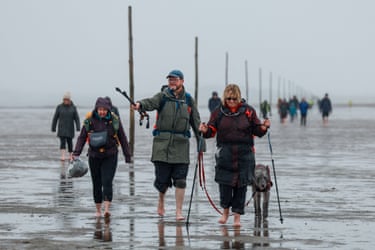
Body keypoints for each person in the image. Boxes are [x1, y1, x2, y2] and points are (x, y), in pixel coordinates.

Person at [132, 69, 203, 221]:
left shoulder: (189, 100)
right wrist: (140, 105)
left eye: (175, 79)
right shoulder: (162, 96)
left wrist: (201, 145)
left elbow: (196, 122)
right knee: (162, 181)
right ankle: (161, 201)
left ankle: (178, 211)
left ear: (182, 81)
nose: (172, 82)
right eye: (170, 79)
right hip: (162, 146)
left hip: (181, 145)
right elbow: (150, 102)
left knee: (181, 180)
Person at [199, 84, 270, 226]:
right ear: (225, 98)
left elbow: (257, 130)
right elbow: (211, 131)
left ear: (238, 98)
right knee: (224, 185)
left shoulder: (249, 111)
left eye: (234, 98)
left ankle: (237, 217)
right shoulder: (218, 112)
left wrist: (263, 127)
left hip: (245, 154)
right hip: (225, 153)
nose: (231, 101)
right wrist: (205, 129)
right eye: (228, 98)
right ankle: (225, 214)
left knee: (241, 185)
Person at [71, 97, 132, 218]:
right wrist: (76, 152)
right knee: (97, 183)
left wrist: (127, 155)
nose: (102, 112)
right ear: (96, 109)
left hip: (110, 155)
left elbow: (123, 138)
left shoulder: (114, 120)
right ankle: (98, 210)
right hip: (94, 156)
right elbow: (82, 137)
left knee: (107, 181)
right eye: (100, 109)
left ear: (108, 110)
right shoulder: (90, 120)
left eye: (104, 109)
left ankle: (107, 209)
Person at [51, 92, 81, 161]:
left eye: (67, 99)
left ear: (70, 100)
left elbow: (76, 118)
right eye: (64, 99)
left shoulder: (73, 108)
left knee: (70, 142)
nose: (66, 101)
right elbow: (55, 118)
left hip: (70, 128)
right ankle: (63, 156)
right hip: (61, 128)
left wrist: (78, 127)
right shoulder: (59, 107)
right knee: (62, 142)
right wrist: (53, 127)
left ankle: (71, 156)